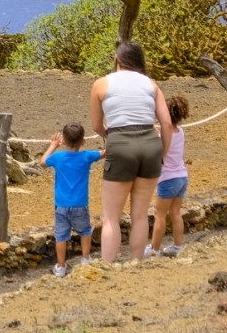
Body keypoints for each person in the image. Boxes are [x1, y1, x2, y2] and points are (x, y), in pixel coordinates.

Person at [90, 40, 172, 262]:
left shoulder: (101, 84)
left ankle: (108, 264)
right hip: (150, 145)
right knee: (140, 215)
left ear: (117, 59)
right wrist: (162, 153)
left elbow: (97, 125)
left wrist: (110, 136)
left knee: (111, 218)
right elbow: (165, 123)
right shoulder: (151, 84)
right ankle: (136, 263)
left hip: (120, 143)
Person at [41, 122, 104, 277]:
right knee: (85, 231)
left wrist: (53, 145)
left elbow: (42, 162)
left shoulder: (58, 157)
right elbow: (104, 153)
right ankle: (85, 259)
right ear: (83, 141)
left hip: (61, 205)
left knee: (61, 236)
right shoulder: (87, 156)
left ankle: (61, 267)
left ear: (64, 139)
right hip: (80, 204)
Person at [146, 94, 189, 258]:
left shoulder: (160, 137)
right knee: (176, 213)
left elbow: (160, 139)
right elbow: (167, 132)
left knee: (160, 215)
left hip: (168, 179)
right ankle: (178, 246)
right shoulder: (181, 131)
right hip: (182, 177)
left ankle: (154, 249)